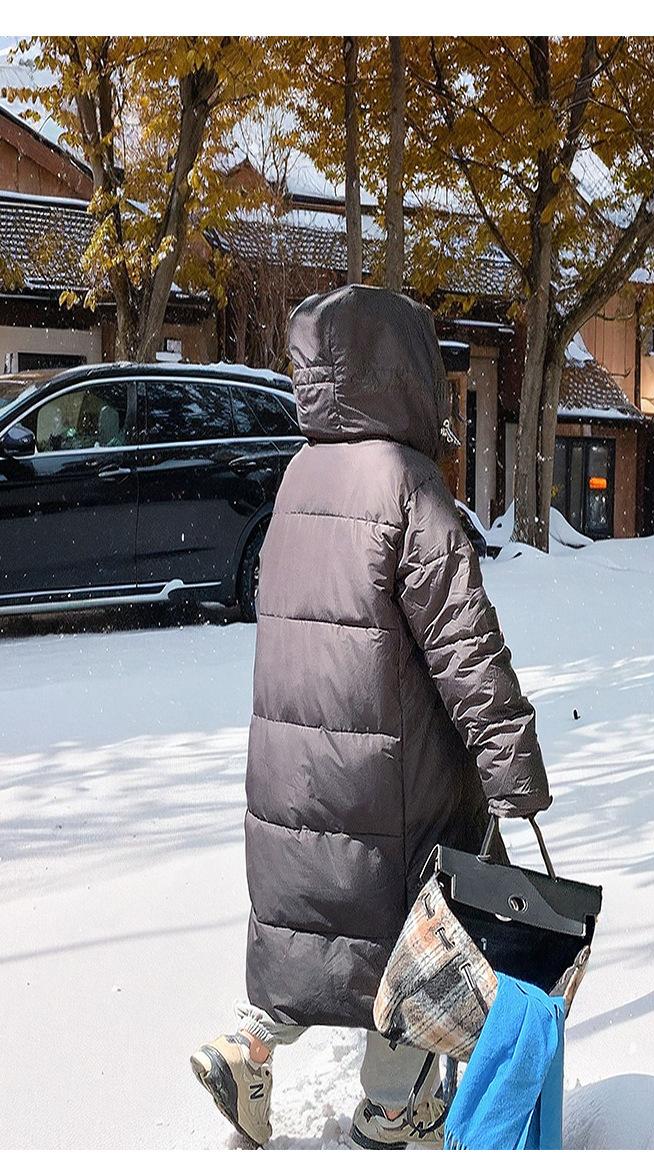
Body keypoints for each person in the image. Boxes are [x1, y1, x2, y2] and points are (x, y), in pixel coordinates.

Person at [191, 285, 551, 1149]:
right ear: (404, 372)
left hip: (293, 764)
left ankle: (248, 1044)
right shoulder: (409, 486)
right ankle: (394, 1105)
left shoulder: (299, 475)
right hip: (388, 771)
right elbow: (465, 643)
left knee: (313, 925)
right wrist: (512, 764)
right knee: (413, 929)